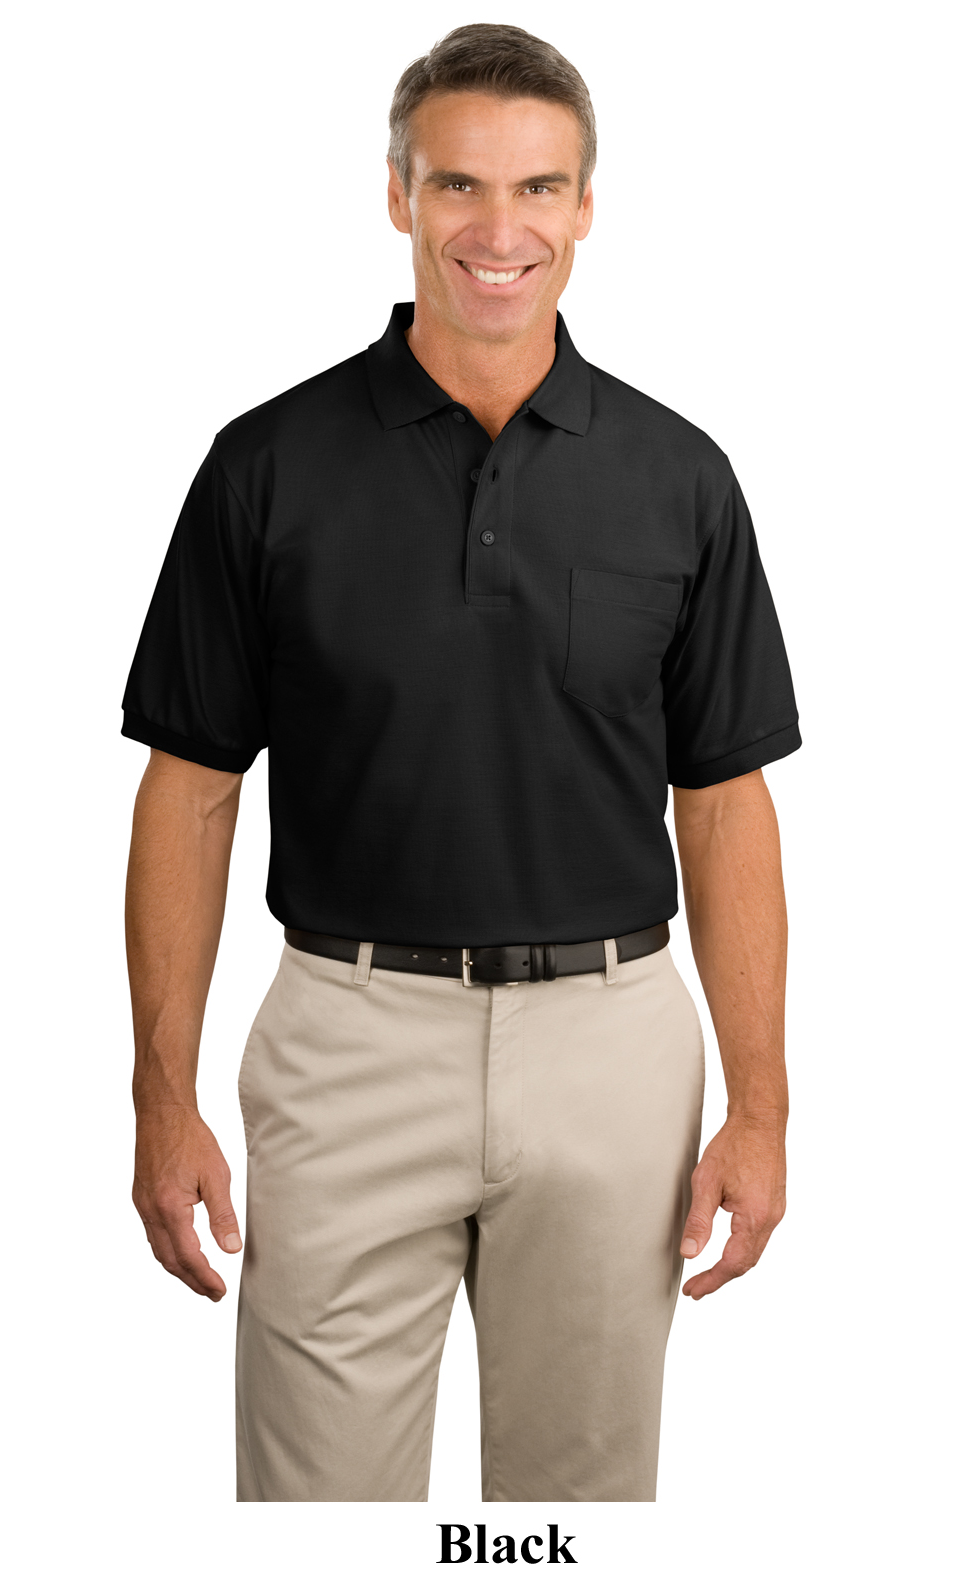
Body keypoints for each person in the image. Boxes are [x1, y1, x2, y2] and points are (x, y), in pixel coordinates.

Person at [123, 23, 800, 1504]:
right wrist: (160, 1097)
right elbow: (191, 788)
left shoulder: (680, 477)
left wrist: (761, 1106)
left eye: (539, 187)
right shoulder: (267, 464)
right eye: (459, 185)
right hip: (346, 1040)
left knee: (579, 1523)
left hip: (613, 1049)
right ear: (398, 195)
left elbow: (723, 802)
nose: (501, 229)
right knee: (318, 1530)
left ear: (586, 207)